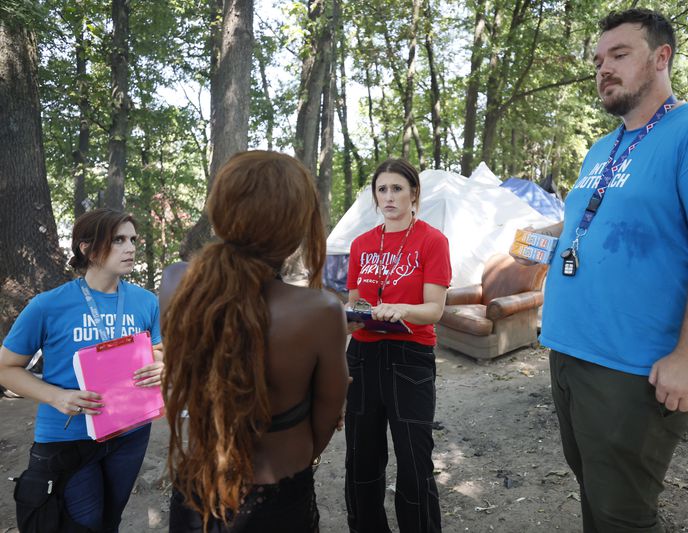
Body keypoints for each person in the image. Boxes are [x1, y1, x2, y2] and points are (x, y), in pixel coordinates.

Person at [524, 9, 688, 532]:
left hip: (631, 370)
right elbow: (591, 224)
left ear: (661, 57)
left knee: (621, 515)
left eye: (619, 54)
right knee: (594, 491)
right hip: (568, 353)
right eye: (598, 59)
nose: (603, 67)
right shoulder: (602, 148)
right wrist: (542, 244)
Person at [163, 150, 348, 532]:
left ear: (220, 208)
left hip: (196, 485)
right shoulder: (320, 311)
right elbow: (328, 414)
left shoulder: (175, 283)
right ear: (296, 226)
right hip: (278, 493)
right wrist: (298, 448)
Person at [0, 208, 163, 532]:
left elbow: (157, 350)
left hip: (131, 432)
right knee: (81, 523)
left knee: (111, 519)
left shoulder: (146, 301)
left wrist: (163, 366)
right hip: (68, 434)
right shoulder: (47, 305)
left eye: (132, 239)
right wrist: (56, 396)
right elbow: (5, 367)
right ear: (86, 248)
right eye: (118, 240)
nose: (130, 247)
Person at [344, 158, 451, 533]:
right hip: (362, 355)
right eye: (382, 189)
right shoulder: (360, 245)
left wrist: (400, 309)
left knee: (413, 460)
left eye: (397, 188)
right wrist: (353, 315)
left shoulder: (432, 241)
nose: (389, 196)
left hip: (410, 357)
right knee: (362, 457)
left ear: (414, 194)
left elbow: (434, 310)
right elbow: (356, 303)